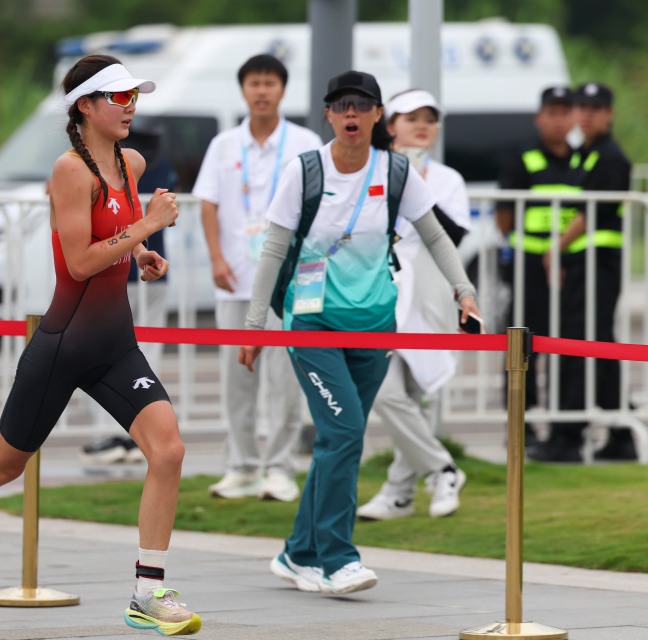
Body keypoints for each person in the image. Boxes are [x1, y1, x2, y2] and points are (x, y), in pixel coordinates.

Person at [0, 54, 202, 637]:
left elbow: (111, 233)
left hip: (116, 343)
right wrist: (146, 228)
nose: (130, 106)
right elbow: (82, 260)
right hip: (64, 343)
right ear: (85, 106)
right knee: (4, 465)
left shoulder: (130, 163)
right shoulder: (71, 171)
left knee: (168, 450)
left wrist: (141, 255)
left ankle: (147, 591)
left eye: (134, 95)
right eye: (117, 97)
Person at [238, 70, 480, 594]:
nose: (351, 114)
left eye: (361, 106)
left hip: (374, 322)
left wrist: (464, 289)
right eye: (341, 105)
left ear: (377, 116)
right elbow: (275, 249)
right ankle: (336, 558)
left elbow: (436, 236)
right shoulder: (305, 171)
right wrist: (255, 327)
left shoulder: (395, 171)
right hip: (312, 320)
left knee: (337, 440)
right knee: (345, 432)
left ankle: (297, 552)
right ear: (328, 114)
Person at [193, 54, 322, 501]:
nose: (262, 91)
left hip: (289, 286)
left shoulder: (304, 142)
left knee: (286, 383)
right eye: (254, 83)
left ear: (283, 89)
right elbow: (207, 202)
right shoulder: (224, 145)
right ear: (243, 89)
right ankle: (242, 466)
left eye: (270, 83)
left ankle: (280, 468)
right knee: (237, 381)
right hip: (234, 279)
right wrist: (215, 258)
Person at [356, 89, 471, 522]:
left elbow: (454, 237)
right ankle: (443, 470)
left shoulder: (447, 179)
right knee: (386, 393)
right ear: (391, 125)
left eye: (429, 118)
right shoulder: (369, 171)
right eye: (411, 117)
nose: (421, 125)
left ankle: (398, 493)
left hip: (428, 299)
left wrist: (416, 182)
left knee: (415, 397)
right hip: (379, 297)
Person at [530, 82, 634, 463]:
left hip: (598, 263)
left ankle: (569, 436)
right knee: (596, 345)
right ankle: (620, 432)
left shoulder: (608, 157)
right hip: (581, 263)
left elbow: (592, 214)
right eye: (581, 107)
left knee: (583, 344)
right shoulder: (586, 155)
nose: (586, 114)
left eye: (596, 107)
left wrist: (553, 248)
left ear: (610, 114)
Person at [81, 126, 178, 466]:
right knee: (145, 352)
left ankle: (112, 434)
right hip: (152, 263)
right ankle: (139, 436)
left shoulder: (115, 163)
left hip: (114, 266)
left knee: (101, 354)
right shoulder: (158, 159)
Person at [494, 86, 578, 452]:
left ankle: (564, 422)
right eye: (552, 112)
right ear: (539, 117)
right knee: (523, 344)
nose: (558, 120)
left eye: (565, 112)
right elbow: (504, 218)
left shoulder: (582, 160)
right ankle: (520, 423)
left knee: (566, 344)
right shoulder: (522, 158)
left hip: (571, 267)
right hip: (530, 268)